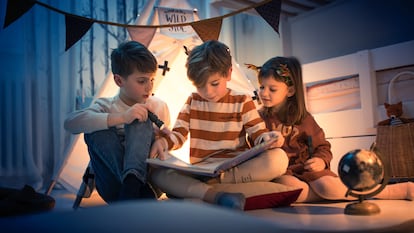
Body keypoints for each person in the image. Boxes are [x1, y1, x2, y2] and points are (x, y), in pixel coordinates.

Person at [149, 40, 289, 210]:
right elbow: (178, 135)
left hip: (235, 169)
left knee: (279, 159)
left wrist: (269, 139)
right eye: (200, 85)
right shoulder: (193, 101)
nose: (208, 91)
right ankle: (213, 192)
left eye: (214, 83)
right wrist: (163, 142)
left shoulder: (242, 101)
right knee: (157, 174)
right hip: (201, 170)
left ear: (228, 74)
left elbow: (258, 134)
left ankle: (201, 190)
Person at [255, 56, 413, 202]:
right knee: (294, 190)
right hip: (284, 172)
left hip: (308, 168)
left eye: (272, 89)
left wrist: (321, 161)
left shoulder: (303, 118)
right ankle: (330, 195)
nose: (264, 93)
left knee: (328, 186)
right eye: (262, 87)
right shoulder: (258, 118)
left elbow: (323, 147)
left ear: (290, 91)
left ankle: (391, 191)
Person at [64, 41, 171, 203]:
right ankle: (133, 190)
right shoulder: (106, 105)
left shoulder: (158, 106)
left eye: (152, 79)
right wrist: (122, 117)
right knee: (96, 130)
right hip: (113, 187)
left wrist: (163, 140)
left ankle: (133, 190)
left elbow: (166, 142)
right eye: (142, 81)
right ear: (119, 81)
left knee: (141, 120)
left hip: (150, 184)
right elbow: (70, 123)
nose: (149, 87)